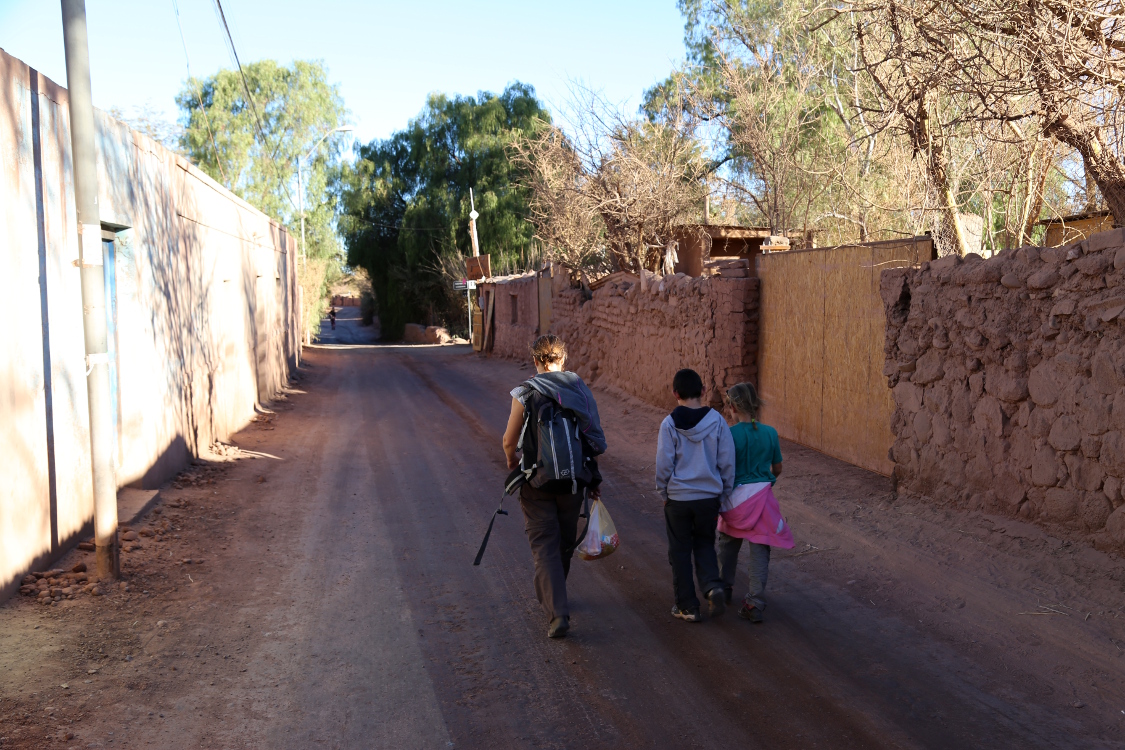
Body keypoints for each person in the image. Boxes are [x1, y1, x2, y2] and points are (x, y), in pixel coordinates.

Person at [502, 334, 607, 639]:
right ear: (564, 359)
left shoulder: (525, 391)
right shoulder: (579, 389)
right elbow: (593, 439)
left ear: (535, 360)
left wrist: (511, 460)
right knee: (562, 542)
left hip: (537, 480)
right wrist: (593, 478)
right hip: (573, 482)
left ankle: (557, 611)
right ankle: (554, 596)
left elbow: (510, 439)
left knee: (544, 544)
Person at [655, 368, 735, 622]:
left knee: (679, 551)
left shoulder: (669, 424)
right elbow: (727, 462)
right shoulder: (718, 421)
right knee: (704, 543)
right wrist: (724, 494)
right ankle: (713, 586)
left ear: (675, 394)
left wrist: (663, 490)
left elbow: (664, 464)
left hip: (678, 499)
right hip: (708, 498)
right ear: (703, 391)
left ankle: (687, 606)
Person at [717, 382, 793, 624]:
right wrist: (765, 482)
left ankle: (724, 587)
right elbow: (777, 468)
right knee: (760, 548)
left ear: (732, 406)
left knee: (728, 542)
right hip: (762, 499)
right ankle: (754, 602)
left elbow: (723, 468)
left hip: (734, 501)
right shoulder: (770, 433)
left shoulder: (728, 434)